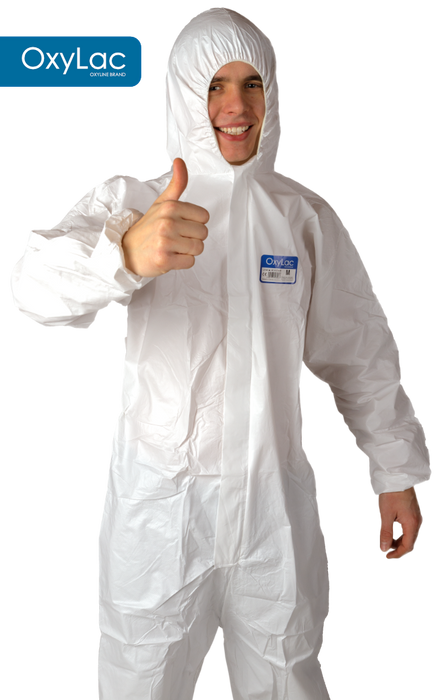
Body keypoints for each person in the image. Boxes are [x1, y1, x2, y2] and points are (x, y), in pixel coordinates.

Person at [7, 6, 433, 700]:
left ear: (274, 93)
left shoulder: (303, 215)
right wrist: (122, 255)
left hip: (274, 511)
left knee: (288, 681)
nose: (236, 107)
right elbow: (29, 289)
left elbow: (359, 352)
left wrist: (394, 473)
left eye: (251, 83)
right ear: (181, 93)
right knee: (140, 685)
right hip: (159, 514)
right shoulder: (136, 201)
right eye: (213, 86)